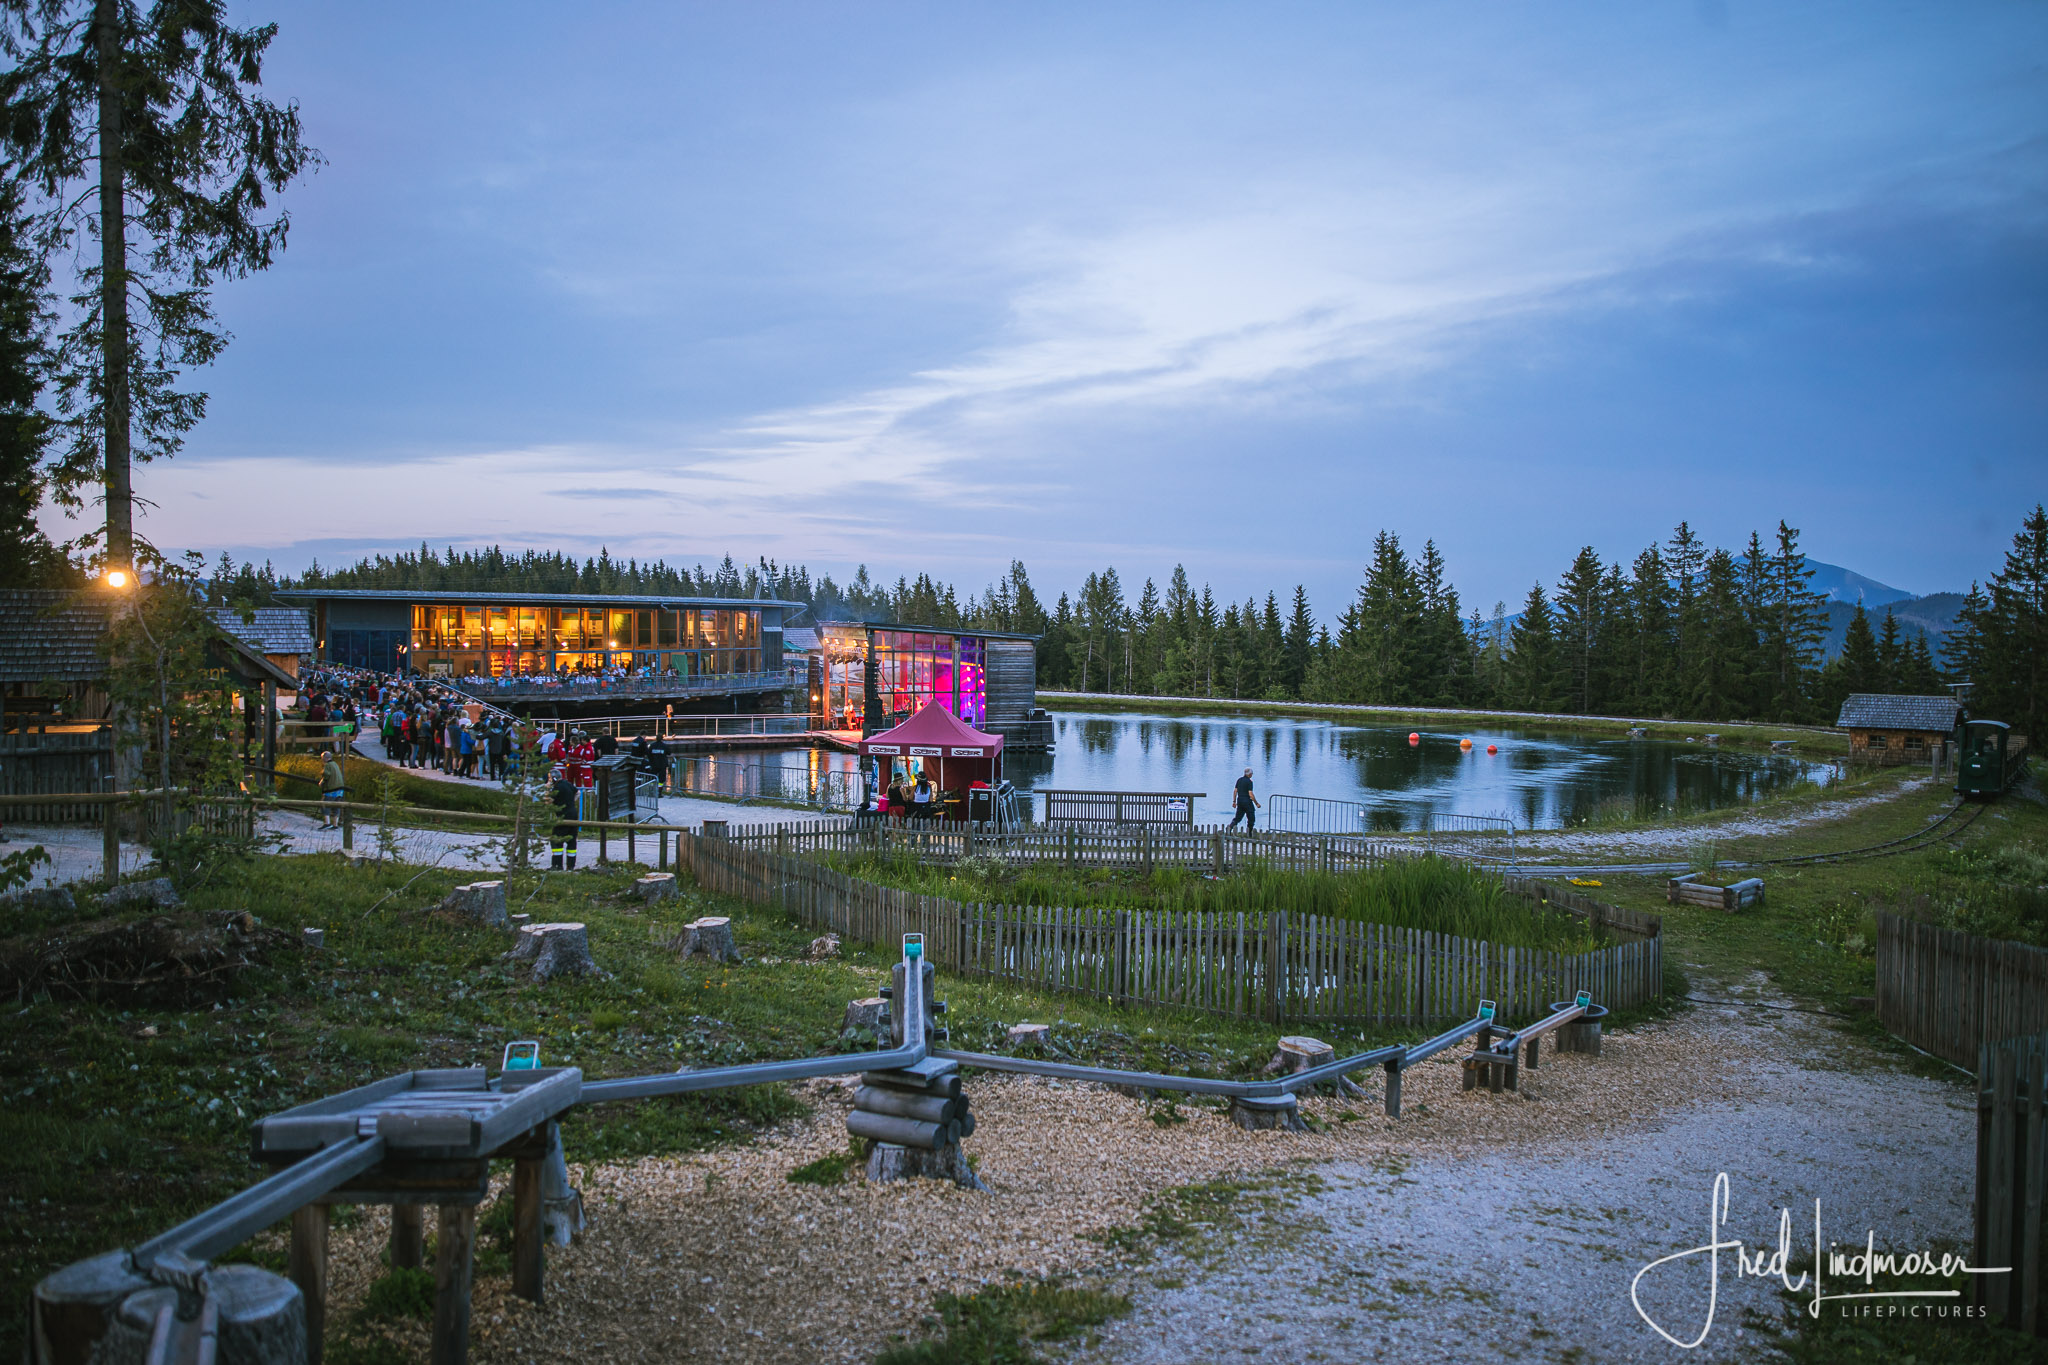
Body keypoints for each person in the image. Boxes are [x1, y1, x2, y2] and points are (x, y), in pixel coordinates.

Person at [548, 770, 581, 870]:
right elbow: (578, 792)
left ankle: (557, 865)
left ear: (554, 778)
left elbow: (548, 801)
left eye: (549, 778)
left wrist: (547, 789)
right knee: (571, 840)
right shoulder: (567, 784)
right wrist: (570, 802)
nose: (549, 780)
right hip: (573, 815)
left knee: (556, 839)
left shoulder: (557, 787)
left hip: (563, 817)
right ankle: (570, 866)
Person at [1227, 766, 1261, 832]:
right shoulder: (1249, 782)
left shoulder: (1239, 780)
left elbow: (1235, 791)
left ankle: (1230, 828)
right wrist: (1256, 803)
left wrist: (1234, 801)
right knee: (1251, 818)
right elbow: (1250, 794)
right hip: (1247, 802)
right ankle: (1249, 833)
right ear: (1249, 774)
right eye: (1252, 774)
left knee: (1237, 818)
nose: (1252, 775)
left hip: (1240, 801)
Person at [319, 750, 346, 829]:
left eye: (322, 758)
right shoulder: (335, 764)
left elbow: (326, 775)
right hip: (340, 789)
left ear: (325, 758)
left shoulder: (328, 765)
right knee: (336, 806)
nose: (321, 759)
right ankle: (335, 824)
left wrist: (321, 782)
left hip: (332, 789)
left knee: (324, 804)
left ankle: (327, 823)